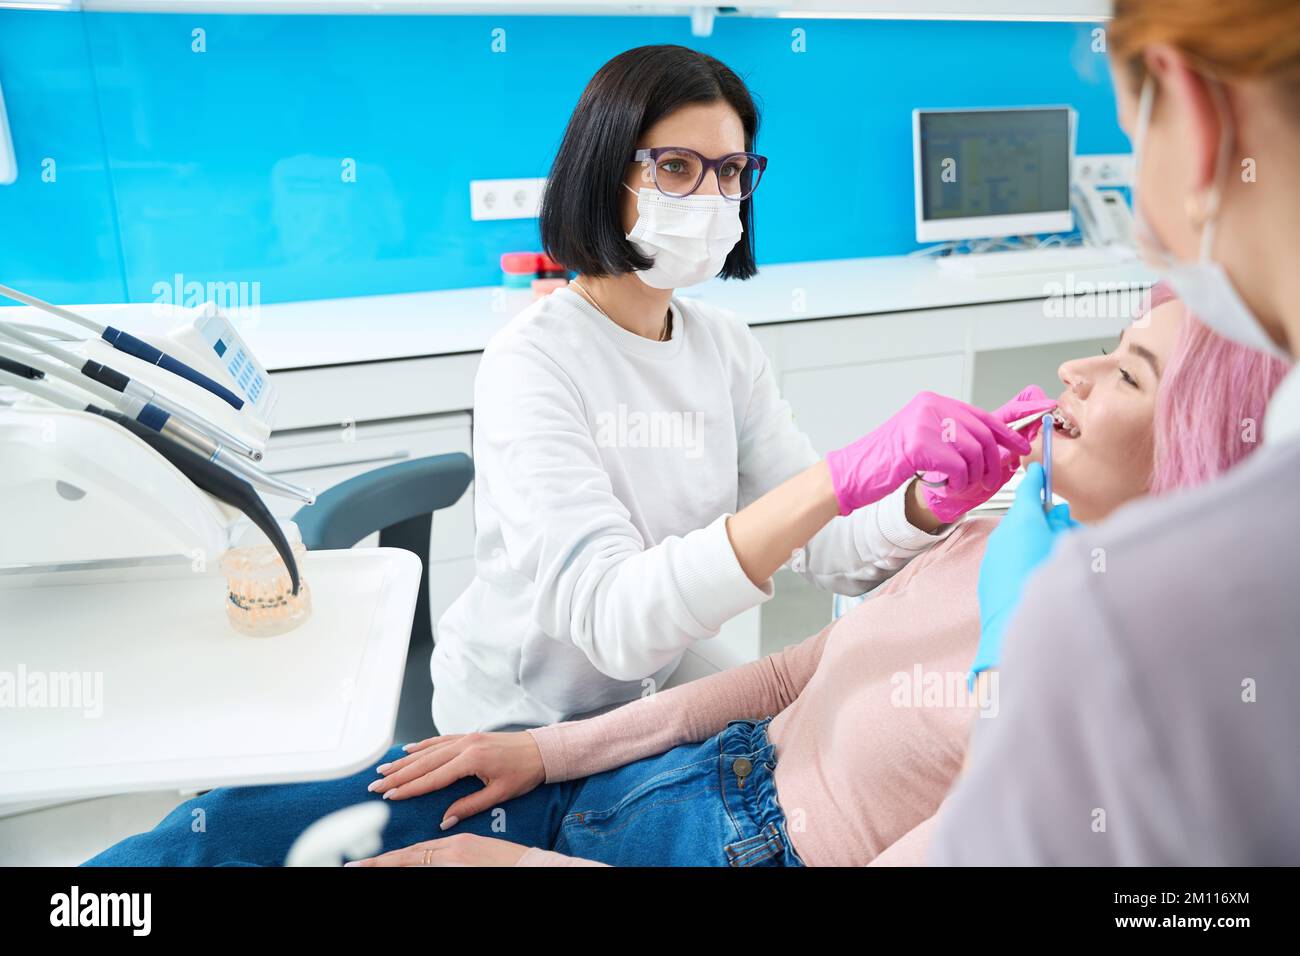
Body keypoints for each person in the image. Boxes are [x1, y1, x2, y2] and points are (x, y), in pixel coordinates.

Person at [86, 290, 1284, 866]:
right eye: (679, 168)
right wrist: (544, 753)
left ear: (1194, 454)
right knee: (229, 824)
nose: (1070, 371)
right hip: (653, 758)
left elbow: (811, 557)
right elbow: (774, 665)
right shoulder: (1015, 532)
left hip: (726, 843)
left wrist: (890, 500)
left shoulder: (1094, 688)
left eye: (1123, 372)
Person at [430, 44, 1041, 734]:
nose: (713, 198)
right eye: (677, 168)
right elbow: (612, 620)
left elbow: (832, 551)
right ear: (605, 174)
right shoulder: (533, 362)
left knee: (808, 729)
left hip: (646, 678)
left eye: (731, 172)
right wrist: (836, 479)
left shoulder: (722, 346)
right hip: (524, 713)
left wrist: (924, 504)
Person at [931, 0, 1300, 865]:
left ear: (1194, 116)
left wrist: (1018, 674)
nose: (1073, 376)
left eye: (1134, 138)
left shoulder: (1126, 616)